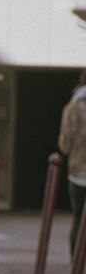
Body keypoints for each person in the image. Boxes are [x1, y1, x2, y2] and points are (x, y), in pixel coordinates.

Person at [59, 73, 86, 254]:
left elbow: (64, 145)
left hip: (79, 173)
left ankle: (75, 266)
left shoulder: (73, 108)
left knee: (78, 219)